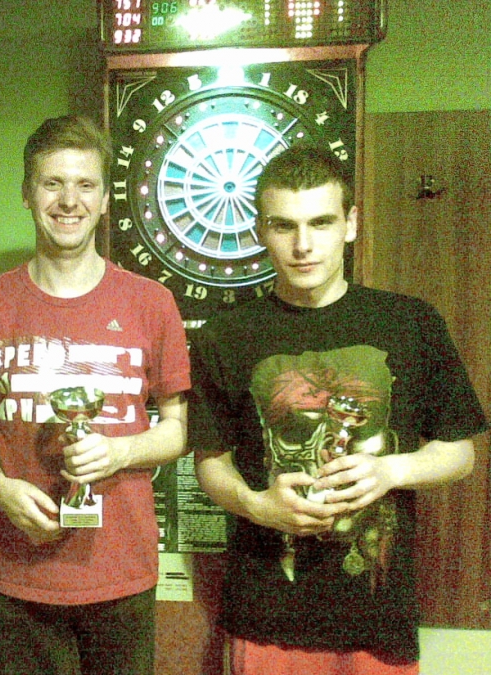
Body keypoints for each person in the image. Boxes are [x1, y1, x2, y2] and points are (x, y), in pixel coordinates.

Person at [189, 144, 488, 674]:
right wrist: (257, 506)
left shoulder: (411, 323)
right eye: (284, 226)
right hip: (265, 616)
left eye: (321, 222)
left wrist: (390, 471)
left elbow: (459, 453)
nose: (303, 245)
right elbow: (210, 463)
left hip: (377, 621)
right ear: (260, 230)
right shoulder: (225, 336)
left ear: (350, 224)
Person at [0, 115, 191, 675]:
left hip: (121, 569)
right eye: (52, 183)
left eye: (85, 185)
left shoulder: (151, 303)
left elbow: (178, 430)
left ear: (105, 200)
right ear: (27, 193)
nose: (68, 201)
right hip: (21, 568)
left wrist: (121, 451)